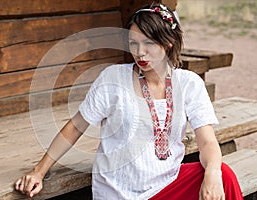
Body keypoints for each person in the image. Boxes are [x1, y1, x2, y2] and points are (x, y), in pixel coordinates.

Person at [14, 3, 243, 200]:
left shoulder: (189, 84)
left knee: (225, 175)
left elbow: (207, 142)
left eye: (149, 43)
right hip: (120, 193)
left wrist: (213, 173)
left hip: (167, 186)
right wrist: (39, 171)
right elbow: (75, 127)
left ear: (168, 42)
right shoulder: (113, 79)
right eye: (133, 43)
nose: (139, 52)